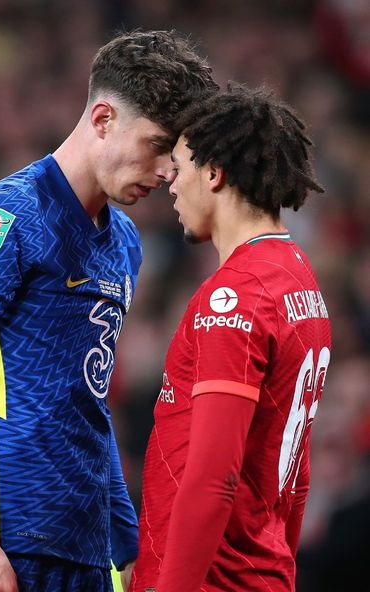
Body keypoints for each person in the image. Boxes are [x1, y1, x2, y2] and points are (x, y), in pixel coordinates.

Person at [0, 30, 217, 592]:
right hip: (3, 542)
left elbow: (87, 405)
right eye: (158, 145)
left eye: (176, 157)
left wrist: (127, 546)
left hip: (87, 545)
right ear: (103, 119)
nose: (169, 171)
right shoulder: (8, 215)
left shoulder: (124, 242)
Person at [130, 83, 332, 592]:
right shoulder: (299, 280)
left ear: (214, 173)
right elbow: (297, 476)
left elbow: (214, 477)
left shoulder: (237, 296)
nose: (170, 185)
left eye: (180, 167)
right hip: (259, 571)